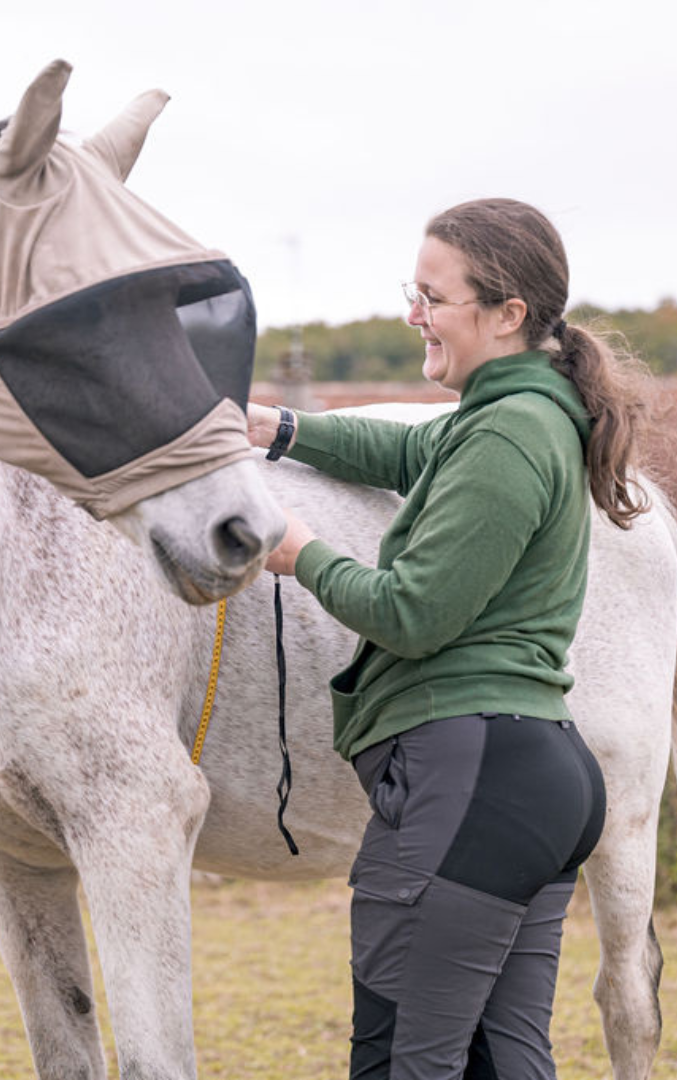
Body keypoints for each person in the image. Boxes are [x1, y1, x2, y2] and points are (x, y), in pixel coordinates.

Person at [247, 198, 652, 1080]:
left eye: (433, 296)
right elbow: (401, 453)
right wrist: (278, 428)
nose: (412, 314)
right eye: (413, 291)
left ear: (508, 315)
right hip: (531, 782)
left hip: (466, 780)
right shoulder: (515, 414)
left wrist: (299, 552)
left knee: (406, 1064)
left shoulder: (506, 433)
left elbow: (412, 613)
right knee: (501, 1064)